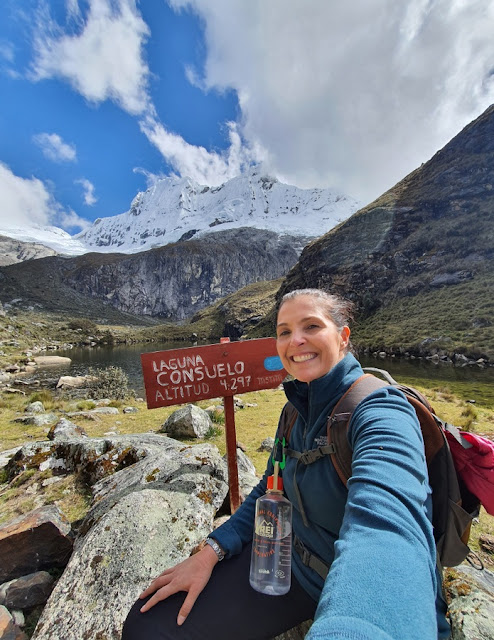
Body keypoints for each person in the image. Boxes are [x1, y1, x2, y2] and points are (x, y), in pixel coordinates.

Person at [122, 288, 450, 640]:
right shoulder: (294, 409)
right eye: (284, 331)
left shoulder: (382, 411)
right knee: (150, 625)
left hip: (357, 589)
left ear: (343, 337)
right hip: (290, 570)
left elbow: (386, 532)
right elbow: (269, 486)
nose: (296, 340)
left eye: (311, 326)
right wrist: (212, 551)